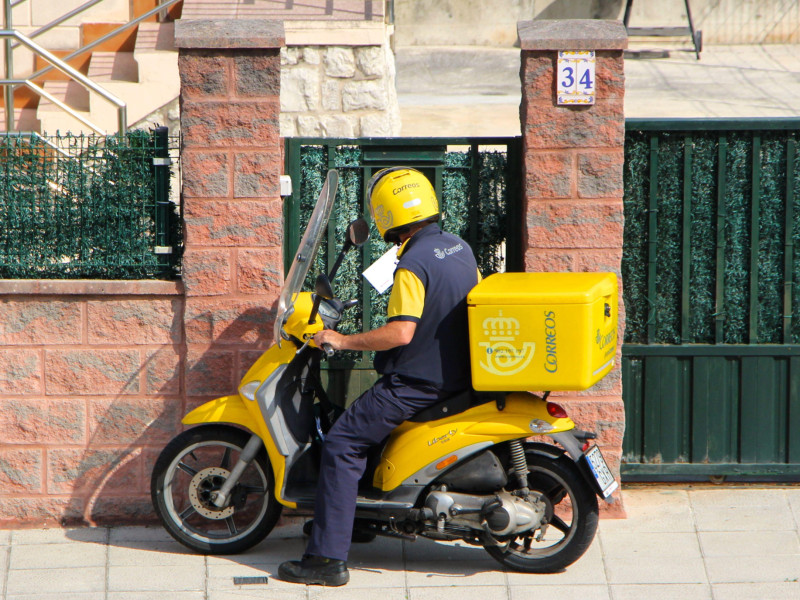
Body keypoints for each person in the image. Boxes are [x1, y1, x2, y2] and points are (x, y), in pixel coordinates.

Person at [277, 167, 480, 586]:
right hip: (459, 375)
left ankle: (326, 560)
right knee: (360, 424)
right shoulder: (458, 247)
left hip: (418, 382)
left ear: (386, 213)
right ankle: (355, 520)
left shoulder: (412, 263)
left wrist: (344, 340)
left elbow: (401, 332)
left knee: (343, 441)